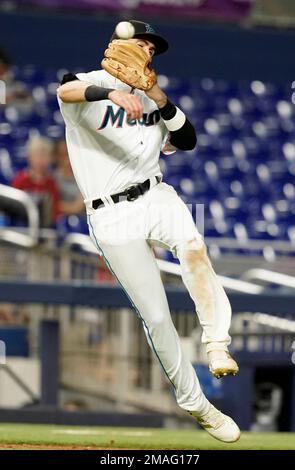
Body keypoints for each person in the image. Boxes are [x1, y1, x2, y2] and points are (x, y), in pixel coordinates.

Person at [57, 19, 240, 443]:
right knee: (157, 317)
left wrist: (154, 93)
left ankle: (216, 343)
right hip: (110, 214)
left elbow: (188, 139)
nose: (148, 52)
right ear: (116, 46)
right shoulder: (90, 83)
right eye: (142, 43)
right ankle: (198, 406)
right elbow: (65, 90)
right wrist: (112, 92)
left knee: (193, 246)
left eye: (152, 49)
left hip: (156, 195)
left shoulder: (153, 95)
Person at [12, 135, 59, 227]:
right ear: (30, 157)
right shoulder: (21, 180)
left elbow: (55, 211)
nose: (40, 160)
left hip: (45, 228)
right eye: (37, 155)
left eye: (44, 155)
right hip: (22, 227)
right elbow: (12, 208)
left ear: (50, 158)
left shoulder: (51, 182)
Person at [53, 138, 85, 216]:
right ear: (56, 157)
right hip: (63, 220)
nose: (67, 159)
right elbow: (53, 205)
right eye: (62, 155)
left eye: (69, 154)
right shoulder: (53, 178)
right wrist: (74, 208)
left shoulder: (82, 175)